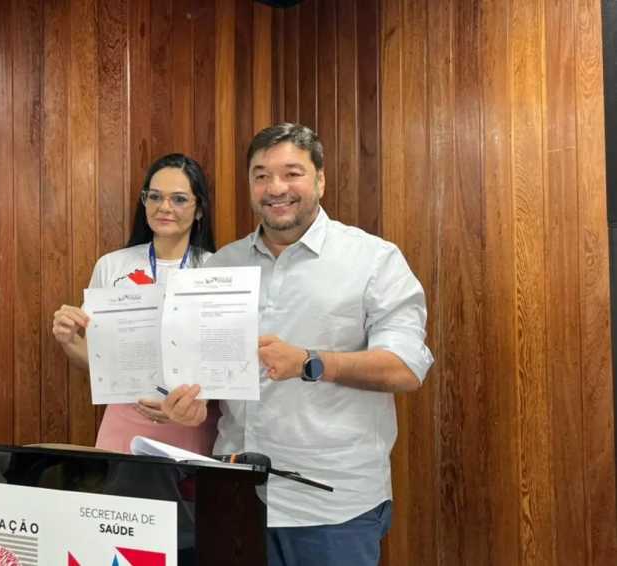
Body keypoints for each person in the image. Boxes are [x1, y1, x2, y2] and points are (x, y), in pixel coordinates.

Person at [161, 123, 434, 566]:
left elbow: (405, 368)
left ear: (320, 179)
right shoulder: (221, 265)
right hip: (233, 498)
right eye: (261, 175)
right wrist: (194, 402)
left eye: (292, 173)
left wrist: (311, 361)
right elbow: (203, 373)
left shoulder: (374, 260)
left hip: (332, 509)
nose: (276, 188)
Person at [52, 153, 221, 455]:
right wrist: (67, 340)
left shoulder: (217, 270)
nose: (164, 207)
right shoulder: (112, 266)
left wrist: (197, 401)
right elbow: (98, 361)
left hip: (190, 421)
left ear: (199, 210)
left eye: (180, 199)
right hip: (124, 420)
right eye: (154, 196)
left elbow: (226, 362)